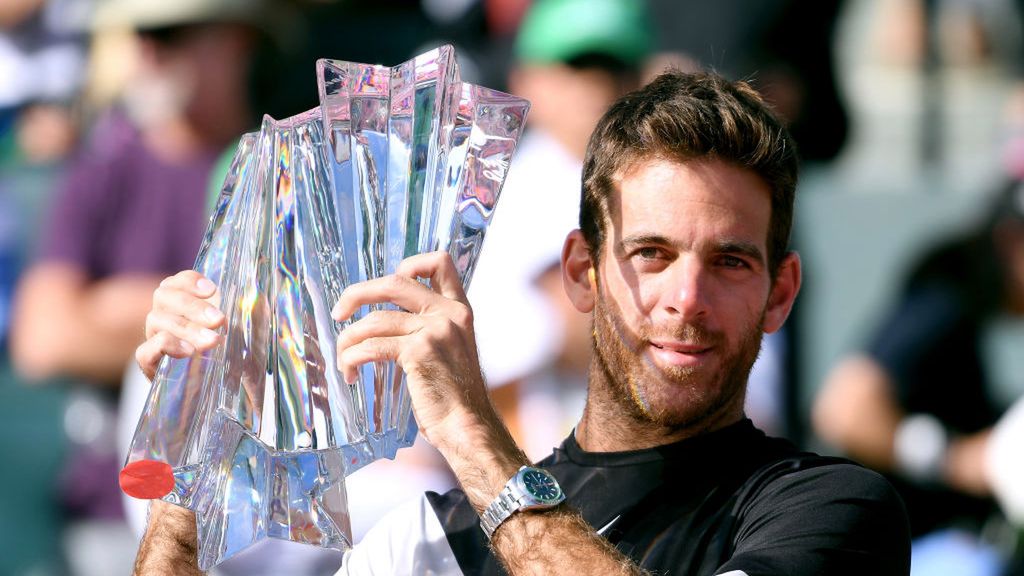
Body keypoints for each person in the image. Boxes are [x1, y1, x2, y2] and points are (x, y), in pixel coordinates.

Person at [131, 70, 911, 575]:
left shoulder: (832, 509)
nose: (686, 298)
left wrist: (468, 430)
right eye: (650, 253)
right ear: (581, 272)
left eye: (730, 262)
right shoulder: (429, 543)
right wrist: (194, 443)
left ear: (781, 293)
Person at [814, 178, 1024, 573]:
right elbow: (842, 409)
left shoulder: (965, 311)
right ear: (1011, 241)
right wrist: (956, 459)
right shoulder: (943, 301)